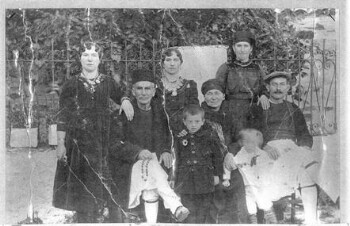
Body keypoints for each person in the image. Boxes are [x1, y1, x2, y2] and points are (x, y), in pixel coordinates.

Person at [52, 42, 133, 223]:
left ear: (100, 59)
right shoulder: (71, 84)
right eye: (86, 55)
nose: (90, 58)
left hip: (103, 139)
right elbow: (63, 116)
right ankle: (85, 217)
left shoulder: (107, 81)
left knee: (105, 180)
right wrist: (60, 144)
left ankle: (106, 214)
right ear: (80, 58)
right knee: (82, 183)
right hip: (78, 141)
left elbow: (120, 94)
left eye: (94, 55)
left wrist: (125, 100)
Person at [108, 69, 189, 223]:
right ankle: (175, 205)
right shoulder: (123, 113)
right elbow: (114, 144)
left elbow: (166, 136)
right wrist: (138, 152)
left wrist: (165, 150)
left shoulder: (159, 111)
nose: (143, 93)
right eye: (139, 88)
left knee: (151, 176)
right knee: (150, 167)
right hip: (129, 165)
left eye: (147, 89)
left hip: (154, 164)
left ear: (153, 91)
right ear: (133, 91)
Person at [245, 71, 319, 224]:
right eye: (274, 84)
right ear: (267, 87)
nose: (278, 88)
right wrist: (264, 145)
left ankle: (311, 220)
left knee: (308, 173)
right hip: (266, 150)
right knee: (298, 172)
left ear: (288, 88)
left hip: (291, 150)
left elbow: (304, 134)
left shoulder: (294, 109)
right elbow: (250, 133)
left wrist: (304, 148)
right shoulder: (258, 109)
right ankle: (271, 213)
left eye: (282, 84)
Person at [200, 78, 249, 223]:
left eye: (217, 93)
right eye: (209, 93)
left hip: (229, 158)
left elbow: (240, 138)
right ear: (204, 96)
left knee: (238, 182)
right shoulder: (199, 114)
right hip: (207, 160)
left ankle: (239, 220)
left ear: (223, 96)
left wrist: (230, 153)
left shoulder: (231, 114)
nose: (213, 97)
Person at [122, 48, 199, 134]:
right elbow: (133, 91)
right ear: (162, 64)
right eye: (168, 60)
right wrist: (125, 100)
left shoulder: (190, 85)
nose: (172, 64)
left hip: (184, 131)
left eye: (175, 60)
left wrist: (186, 128)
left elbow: (194, 111)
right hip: (159, 130)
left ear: (180, 63)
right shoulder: (156, 85)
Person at [173, 104, 223, 223]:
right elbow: (178, 159)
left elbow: (217, 156)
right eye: (190, 121)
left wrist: (217, 175)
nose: (193, 125)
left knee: (204, 209)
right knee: (188, 210)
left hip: (205, 179)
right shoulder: (180, 138)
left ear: (202, 121)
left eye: (197, 121)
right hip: (186, 180)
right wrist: (175, 178)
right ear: (184, 122)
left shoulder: (209, 136)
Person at [215, 30, 269, 128]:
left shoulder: (257, 68)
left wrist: (263, 95)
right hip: (231, 109)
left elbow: (264, 88)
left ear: (251, 49)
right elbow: (217, 88)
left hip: (252, 109)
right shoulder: (226, 68)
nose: (242, 49)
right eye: (239, 46)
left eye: (245, 46)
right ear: (234, 48)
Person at [223, 128, 277, 224]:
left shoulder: (261, 154)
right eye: (246, 142)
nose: (250, 145)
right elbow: (228, 166)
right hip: (248, 186)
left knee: (264, 202)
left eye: (253, 142)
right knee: (250, 205)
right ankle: (253, 221)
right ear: (241, 143)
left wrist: (268, 179)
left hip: (261, 185)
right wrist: (226, 178)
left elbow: (269, 166)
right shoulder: (240, 155)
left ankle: (272, 219)